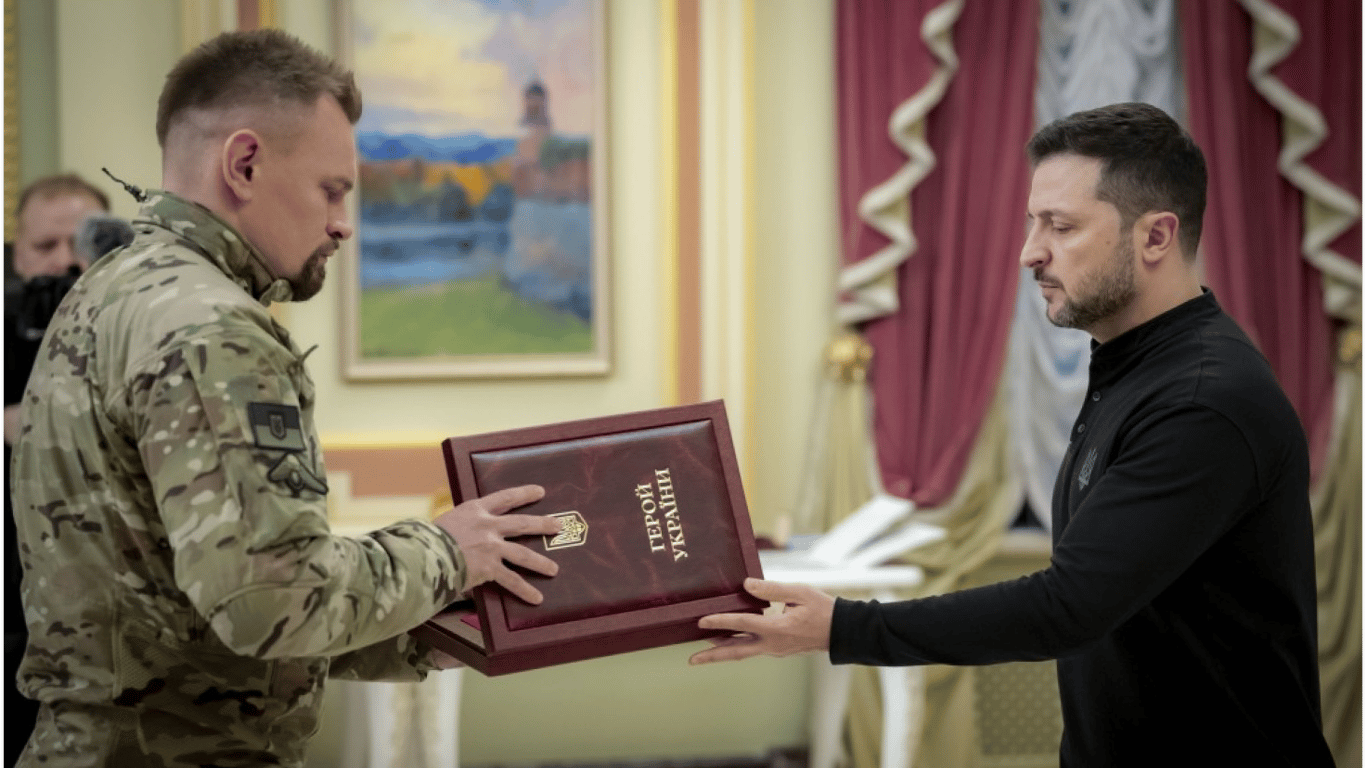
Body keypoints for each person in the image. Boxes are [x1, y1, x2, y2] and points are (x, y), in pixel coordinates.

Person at [691, 103, 1334, 766]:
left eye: (1061, 226)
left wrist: (843, 627)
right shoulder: (1137, 370)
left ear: (1155, 237)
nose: (1031, 252)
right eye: (1033, 222)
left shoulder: (1203, 402)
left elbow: (1067, 607)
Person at [9, 29, 561, 767]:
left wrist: (435, 626)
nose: (343, 222)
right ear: (244, 164)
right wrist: (447, 553)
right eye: (331, 189)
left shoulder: (103, 293)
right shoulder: (214, 329)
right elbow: (269, 602)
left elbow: (195, 603)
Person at [2, 174, 112, 768]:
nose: (65, 262)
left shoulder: (142, 330)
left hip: (111, 634)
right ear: (16, 253)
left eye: (80, 243)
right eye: (45, 246)